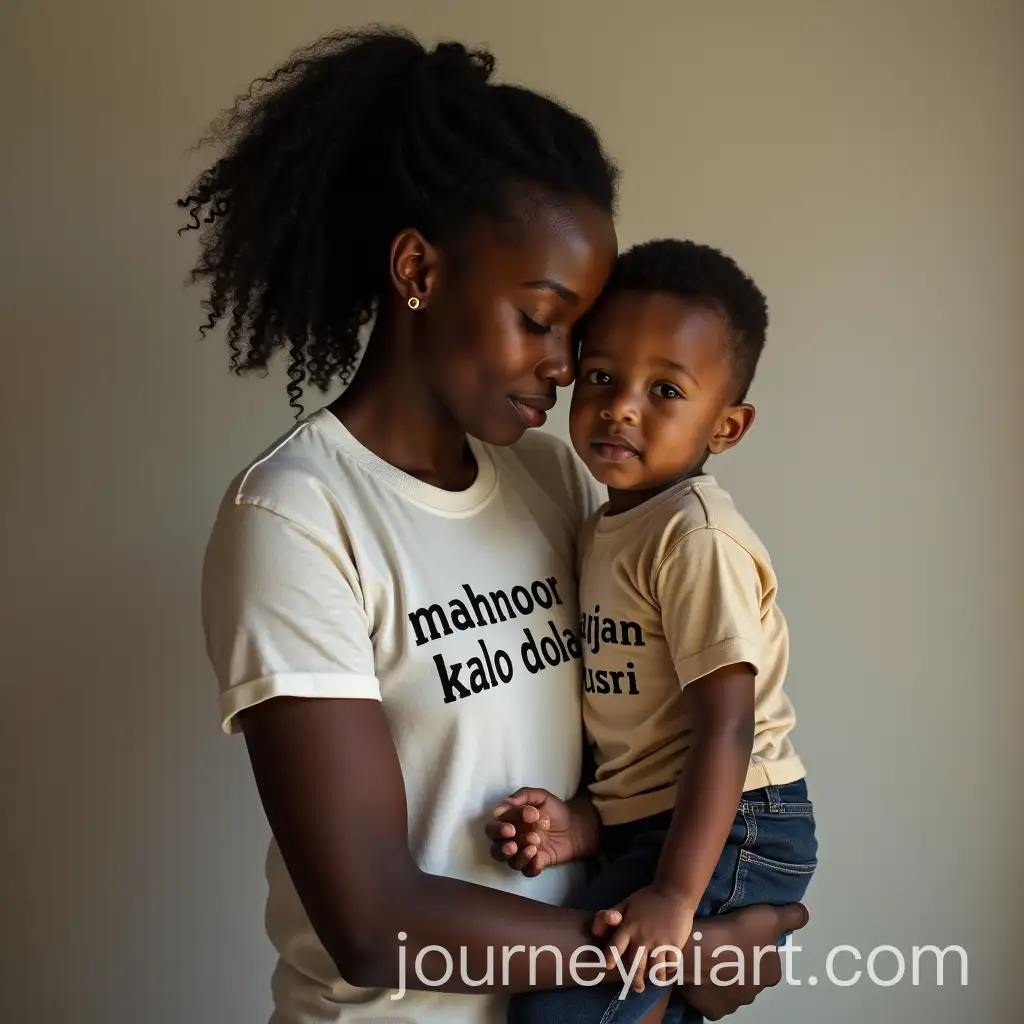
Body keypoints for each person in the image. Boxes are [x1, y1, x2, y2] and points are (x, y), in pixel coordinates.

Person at [181, 27, 810, 1024]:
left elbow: (651, 748)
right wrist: (668, 952)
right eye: (542, 316)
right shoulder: (296, 517)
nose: (568, 368)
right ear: (418, 270)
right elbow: (370, 915)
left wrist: (719, 911)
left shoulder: (552, 478)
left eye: (579, 332)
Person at [494, 240, 817, 1024]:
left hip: (735, 819)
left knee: (559, 1014)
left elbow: (726, 729)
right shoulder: (603, 520)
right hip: (664, 819)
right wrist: (590, 821)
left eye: (665, 389)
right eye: (602, 375)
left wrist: (675, 894)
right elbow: (643, 716)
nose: (622, 405)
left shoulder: (695, 537)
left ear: (727, 425)